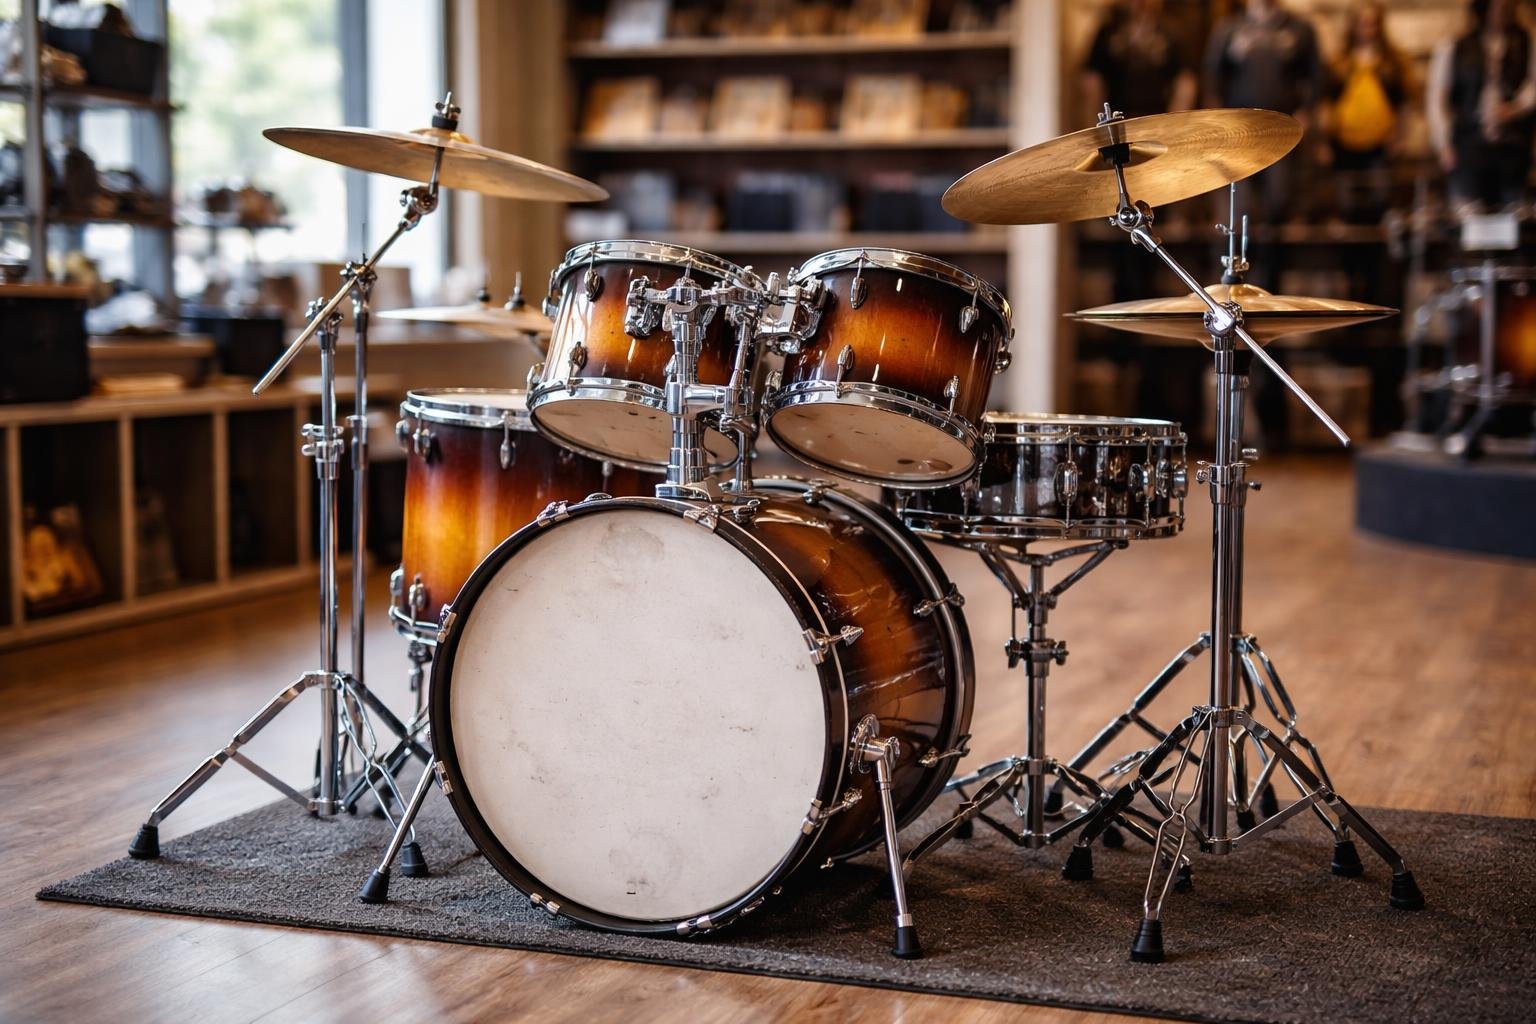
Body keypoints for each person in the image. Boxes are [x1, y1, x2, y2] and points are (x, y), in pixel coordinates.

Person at [1427, 0, 1536, 211]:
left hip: (1513, 147)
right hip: (1469, 145)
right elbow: (1438, 99)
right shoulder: (1454, 47)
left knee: (1512, 219)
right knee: (1471, 220)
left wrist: (1515, 108)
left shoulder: (1526, 43)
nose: (1501, 12)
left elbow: (1533, 87)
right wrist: (1443, 143)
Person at [1323, 2, 1410, 223]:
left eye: (1372, 24)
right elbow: (1327, 104)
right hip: (1343, 144)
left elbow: (1403, 104)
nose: (1367, 29)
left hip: (1380, 145)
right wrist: (1323, 141)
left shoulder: (1393, 63)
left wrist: (1400, 136)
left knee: (1380, 200)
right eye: (1362, 23)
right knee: (1346, 204)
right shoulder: (1339, 63)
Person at [1081, 0, 1197, 122]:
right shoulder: (1108, 32)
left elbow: (1186, 82)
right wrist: (1096, 125)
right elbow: (1092, 80)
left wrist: (1175, 122)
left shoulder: (1170, 32)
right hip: (1117, 120)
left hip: (1157, 119)